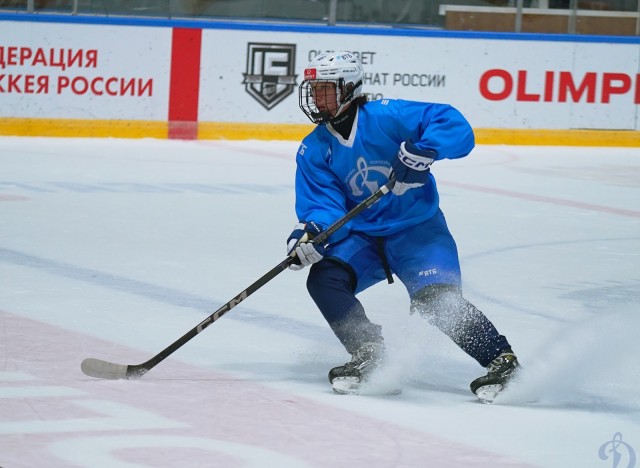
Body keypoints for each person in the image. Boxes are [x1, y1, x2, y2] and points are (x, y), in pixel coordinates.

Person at [286, 51, 519, 401]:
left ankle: (502, 361)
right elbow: (324, 204)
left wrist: (426, 150)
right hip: (363, 236)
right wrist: (312, 233)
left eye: (326, 90)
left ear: (349, 88)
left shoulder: (387, 115)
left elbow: (452, 123)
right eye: (314, 91)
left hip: (418, 232)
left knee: (437, 302)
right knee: (325, 279)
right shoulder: (314, 148)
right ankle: (369, 353)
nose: (318, 99)